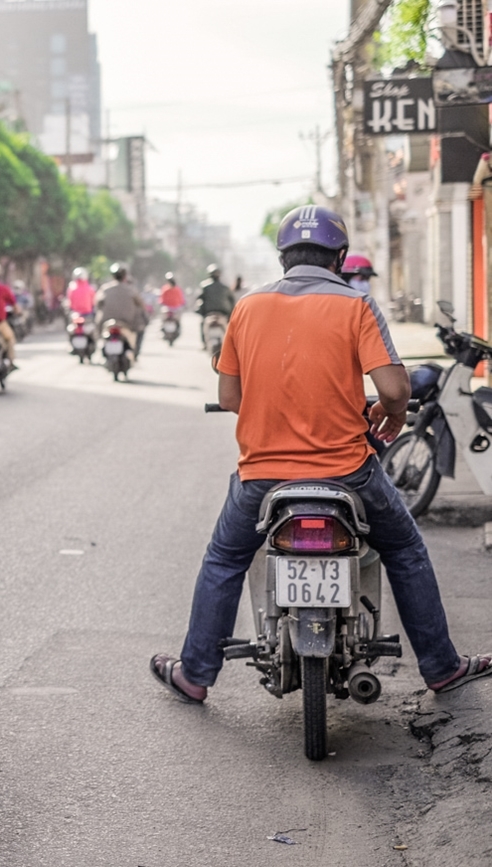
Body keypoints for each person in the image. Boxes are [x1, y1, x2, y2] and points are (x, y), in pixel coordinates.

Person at [150, 204, 491, 703]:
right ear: (340, 257)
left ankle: (195, 675)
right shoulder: (355, 305)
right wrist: (393, 416)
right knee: (406, 550)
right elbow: (395, 387)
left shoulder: (247, 307)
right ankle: (441, 668)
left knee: (225, 559)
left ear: (284, 256)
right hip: (348, 473)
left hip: (262, 478)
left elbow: (229, 398)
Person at [96, 262, 148, 357]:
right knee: (141, 329)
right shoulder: (131, 289)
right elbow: (141, 304)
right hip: (127, 323)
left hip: (107, 323)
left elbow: (97, 303)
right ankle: (135, 353)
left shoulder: (105, 289)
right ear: (125, 276)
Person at [196, 263, 234, 348]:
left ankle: (204, 344)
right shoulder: (225, 287)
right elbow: (232, 302)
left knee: (202, 324)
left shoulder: (205, 286)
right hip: (221, 314)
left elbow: (199, 299)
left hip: (211, 314)